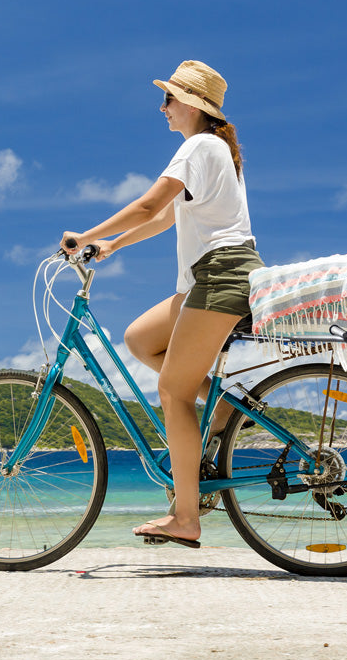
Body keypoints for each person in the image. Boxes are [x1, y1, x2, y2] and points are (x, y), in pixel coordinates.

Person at [61, 60, 263, 548]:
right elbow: (165, 219)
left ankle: (186, 519)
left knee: (173, 392)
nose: (163, 107)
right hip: (208, 280)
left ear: (191, 104)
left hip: (220, 277)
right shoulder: (214, 150)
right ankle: (228, 411)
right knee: (138, 338)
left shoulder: (198, 146)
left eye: (169, 99)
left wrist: (84, 235)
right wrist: (111, 247)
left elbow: (149, 204)